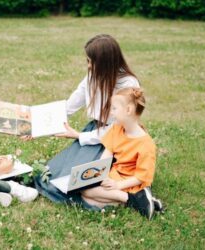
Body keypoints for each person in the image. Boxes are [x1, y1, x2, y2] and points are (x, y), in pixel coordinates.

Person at [33, 34, 140, 209]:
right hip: (95, 132)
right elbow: (69, 106)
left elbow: (117, 128)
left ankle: (123, 198)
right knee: (48, 174)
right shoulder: (93, 75)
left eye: (91, 62)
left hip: (118, 138)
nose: (88, 66)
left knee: (78, 181)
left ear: (105, 63)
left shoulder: (127, 84)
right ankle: (112, 198)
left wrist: (79, 135)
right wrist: (35, 126)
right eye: (88, 61)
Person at [81, 87, 158, 219]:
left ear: (128, 110)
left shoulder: (146, 144)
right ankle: (135, 201)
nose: (111, 113)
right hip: (114, 176)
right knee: (87, 197)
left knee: (87, 193)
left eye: (114, 109)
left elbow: (141, 177)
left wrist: (118, 185)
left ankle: (133, 199)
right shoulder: (117, 128)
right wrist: (99, 173)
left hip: (131, 183)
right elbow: (108, 153)